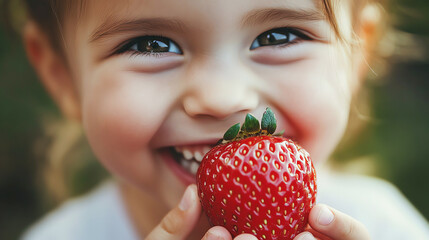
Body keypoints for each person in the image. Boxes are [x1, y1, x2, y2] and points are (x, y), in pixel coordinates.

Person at [19, 0, 429, 239]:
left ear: (358, 57)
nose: (221, 98)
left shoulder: (389, 226)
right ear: (63, 79)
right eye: (151, 43)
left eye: (278, 36)